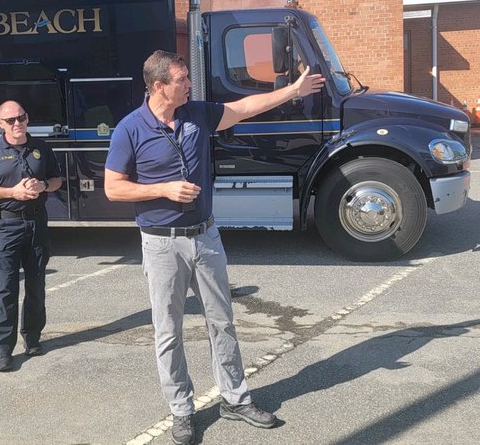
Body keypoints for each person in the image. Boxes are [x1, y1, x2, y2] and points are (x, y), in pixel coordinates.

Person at [105, 50, 324, 444]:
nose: (190, 84)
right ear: (158, 86)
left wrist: (292, 89)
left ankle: (235, 400)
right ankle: (182, 410)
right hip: (161, 245)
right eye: (182, 79)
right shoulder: (129, 129)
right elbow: (113, 187)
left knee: (221, 322)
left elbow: (243, 107)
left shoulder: (196, 114)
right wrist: (163, 189)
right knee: (168, 331)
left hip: (205, 237)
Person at [0, 100, 62, 372]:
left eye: (21, 117)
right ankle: (4, 349)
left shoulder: (41, 148)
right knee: (6, 289)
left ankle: (32, 338)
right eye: (10, 120)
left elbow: (57, 179)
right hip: (7, 226)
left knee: (36, 286)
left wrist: (43, 185)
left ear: (27, 117)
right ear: (0, 124)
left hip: (36, 225)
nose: (17, 123)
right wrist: (12, 193)